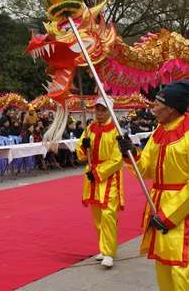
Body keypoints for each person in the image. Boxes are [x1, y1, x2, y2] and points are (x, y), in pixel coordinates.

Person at [117, 80, 189, 290]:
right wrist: (131, 153)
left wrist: (169, 214)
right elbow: (146, 169)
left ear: (170, 108)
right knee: (163, 267)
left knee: (180, 270)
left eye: (156, 104)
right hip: (157, 205)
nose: (153, 108)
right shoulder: (159, 131)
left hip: (184, 210)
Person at [76, 97, 124, 268]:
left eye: (103, 110)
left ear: (110, 111)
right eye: (98, 110)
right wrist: (84, 146)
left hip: (109, 177)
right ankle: (103, 248)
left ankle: (109, 252)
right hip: (92, 178)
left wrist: (98, 172)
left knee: (108, 215)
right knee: (97, 216)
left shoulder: (117, 131)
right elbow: (80, 152)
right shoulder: (90, 128)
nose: (100, 113)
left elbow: (118, 159)